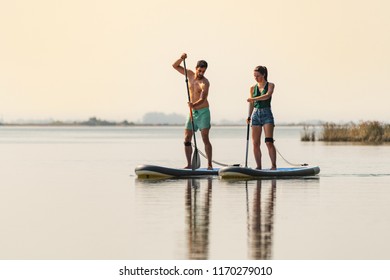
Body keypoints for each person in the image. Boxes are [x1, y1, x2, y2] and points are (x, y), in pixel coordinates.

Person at [172, 53, 213, 170]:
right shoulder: (189, 74)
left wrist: (193, 104)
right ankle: (189, 164)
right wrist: (181, 58)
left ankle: (209, 164)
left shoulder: (205, 83)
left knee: (205, 138)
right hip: (192, 113)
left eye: (203, 72)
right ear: (196, 68)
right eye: (199, 71)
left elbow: (203, 98)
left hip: (203, 112)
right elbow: (175, 66)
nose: (201, 73)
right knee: (186, 138)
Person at [247, 65, 277, 170]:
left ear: (263, 75)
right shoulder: (252, 88)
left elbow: (267, 96)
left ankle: (273, 166)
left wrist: (253, 98)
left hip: (267, 114)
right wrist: (249, 116)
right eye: (254, 76)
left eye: (258, 76)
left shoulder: (270, 85)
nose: (256, 78)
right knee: (255, 143)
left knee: (268, 141)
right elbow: (251, 103)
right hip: (255, 114)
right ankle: (258, 167)